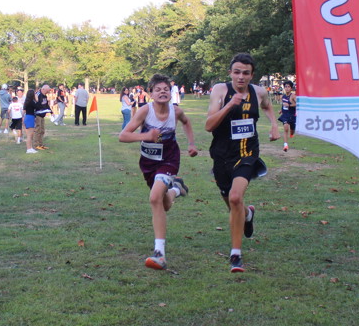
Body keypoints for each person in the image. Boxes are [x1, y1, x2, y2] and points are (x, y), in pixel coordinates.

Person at [205, 53, 279, 272]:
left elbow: (267, 106)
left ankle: (236, 254)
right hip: (221, 153)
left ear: (251, 75)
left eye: (246, 73)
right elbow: (209, 125)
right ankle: (248, 214)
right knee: (230, 200)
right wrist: (229, 105)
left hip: (247, 152)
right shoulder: (220, 90)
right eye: (237, 72)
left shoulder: (259, 92)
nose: (241, 77)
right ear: (230, 73)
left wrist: (274, 125)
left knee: (235, 197)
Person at [119, 74, 198, 270]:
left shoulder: (176, 111)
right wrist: (146, 135)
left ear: (171, 93)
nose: (163, 92)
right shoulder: (145, 111)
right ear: (151, 94)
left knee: (154, 198)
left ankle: (159, 254)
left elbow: (186, 122)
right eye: (158, 89)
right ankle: (176, 189)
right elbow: (123, 136)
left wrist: (191, 143)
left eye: (166, 89)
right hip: (148, 163)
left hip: (169, 160)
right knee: (164, 203)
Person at [277, 80, 296, 152]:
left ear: (291, 88)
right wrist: (281, 110)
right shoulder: (283, 96)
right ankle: (285, 145)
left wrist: (289, 105)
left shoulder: (293, 96)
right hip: (285, 115)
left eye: (288, 87)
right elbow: (283, 105)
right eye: (286, 87)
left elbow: (298, 104)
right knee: (285, 128)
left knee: (292, 130)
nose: (287, 88)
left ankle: (292, 134)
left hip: (292, 115)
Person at [34, 84, 51, 150]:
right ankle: (36, 144)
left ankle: (40, 144)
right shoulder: (38, 95)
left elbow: (46, 104)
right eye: (47, 90)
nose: (48, 92)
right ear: (44, 89)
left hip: (42, 115)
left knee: (42, 130)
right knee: (38, 130)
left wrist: (50, 111)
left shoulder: (45, 96)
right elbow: (36, 104)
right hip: (38, 115)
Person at [23, 89, 38, 154]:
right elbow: (38, 106)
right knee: (29, 135)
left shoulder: (26, 102)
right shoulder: (32, 102)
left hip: (27, 117)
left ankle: (30, 148)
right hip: (30, 117)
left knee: (30, 135)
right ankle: (29, 149)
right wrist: (37, 99)